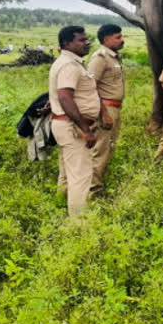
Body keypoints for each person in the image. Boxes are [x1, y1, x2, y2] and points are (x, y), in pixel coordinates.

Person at [48, 25, 100, 216]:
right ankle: (79, 223)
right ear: (67, 43)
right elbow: (65, 97)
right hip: (73, 127)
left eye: (87, 39)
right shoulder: (69, 65)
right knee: (81, 175)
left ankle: (59, 206)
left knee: (67, 172)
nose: (87, 42)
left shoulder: (70, 62)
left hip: (66, 125)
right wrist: (85, 130)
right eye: (81, 40)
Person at [87, 24, 125, 196]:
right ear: (106, 39)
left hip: (114, 108)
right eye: (117, 37)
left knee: (109, 149)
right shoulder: (100, 58)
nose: (121, 39)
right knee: (100, 151)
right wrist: (104, 114)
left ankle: (99, 184)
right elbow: (90, 88)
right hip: (105, 109)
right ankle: (93, 191)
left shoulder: (113, 57)